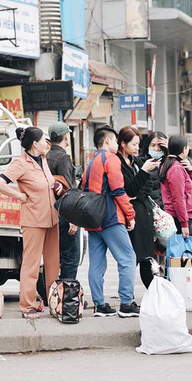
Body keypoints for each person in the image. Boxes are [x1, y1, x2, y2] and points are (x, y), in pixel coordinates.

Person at [0, 126, 63, 319]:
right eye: (43, 140)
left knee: (53, 264)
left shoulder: (43, 159)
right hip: (33, 219)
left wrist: (55, 187)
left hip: (51, 218)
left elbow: (45, 184)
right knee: (31, 264)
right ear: (34, 143)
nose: (46, 143)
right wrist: (20, 196)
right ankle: (27, 306)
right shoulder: (20, 163)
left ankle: (54, 301)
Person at [82, 126, 139, 318]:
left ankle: (99, 305)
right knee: (127, 258)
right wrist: (130, 215)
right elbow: (118, 190)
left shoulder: (90, 163)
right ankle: (126, 303)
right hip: (110, 217)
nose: (116, 144)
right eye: (115, 141)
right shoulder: (111, 159)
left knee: (97, 263)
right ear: (107, 141)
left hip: (92, 218)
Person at [116, 126, 160, 264]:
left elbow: (148, 186)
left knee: (147, 257)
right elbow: (129, 190)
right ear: (123, 144)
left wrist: (136, 190)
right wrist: (143, 172)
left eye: (138, 144)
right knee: (130, 257)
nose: (136, 148)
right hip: (129, 214)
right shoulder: (117, 163)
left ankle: (151, 284)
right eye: (134, 144)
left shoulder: (136, 161)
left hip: (144, 211)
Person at [45, 122, 80, 280]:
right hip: (66, 214)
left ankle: (55, 294)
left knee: (55, 257)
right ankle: (68, 295)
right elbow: (68, 190)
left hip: (50, 212)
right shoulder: (63, 158)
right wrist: (74, 218)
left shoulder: (45, 157)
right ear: (66, 136)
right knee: (70, 258)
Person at [159, 135, 192, 239]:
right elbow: (178, 198)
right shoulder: (175, 168)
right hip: (179, 218)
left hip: (179, 216)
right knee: (181, 254)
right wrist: (184, 224)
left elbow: (187, 187)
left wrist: (189, 171)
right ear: (184, 149)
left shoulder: (173, 165)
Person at [139, 131, 169, 209]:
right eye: (153, 145)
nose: (156, 149)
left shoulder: (168, 163)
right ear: (147, 146)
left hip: (166, 211)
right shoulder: (141, 163)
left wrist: (170, 151)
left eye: (160, 146)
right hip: (149, 209)